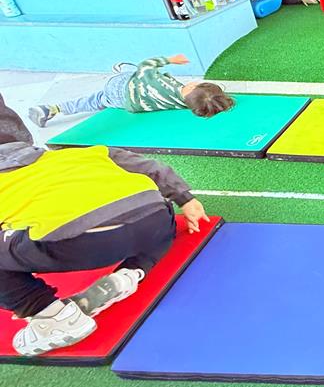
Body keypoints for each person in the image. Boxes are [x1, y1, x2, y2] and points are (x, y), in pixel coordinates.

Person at [0, 97, 210, 355]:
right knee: (159, 213)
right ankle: (130, 274)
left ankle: (50, 315)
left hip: (83, 241)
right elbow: (147, 166)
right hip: (153, 220)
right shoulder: (78, 154)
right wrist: (185, 199)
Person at [28, 56, 234, 128]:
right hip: (128, 104)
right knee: (98, 100)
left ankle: (119, 69)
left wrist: (170, 60)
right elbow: (204, 101)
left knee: (131, 71)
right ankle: (54, 109)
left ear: (191, 87)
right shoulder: (185, 104)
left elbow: (146, 66)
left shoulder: (165, 84)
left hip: (120, 86)